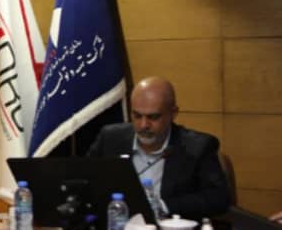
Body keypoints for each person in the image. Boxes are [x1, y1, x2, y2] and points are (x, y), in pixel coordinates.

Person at [86, 75, 231, 220]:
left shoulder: (198, 147)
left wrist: (163, 207)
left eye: (153, 117)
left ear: (173, 113)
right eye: (137, 116)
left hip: (171, 229)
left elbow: (218, 198)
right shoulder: (110, 139)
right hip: (118, 227)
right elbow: (83, 181)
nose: (144, 125)